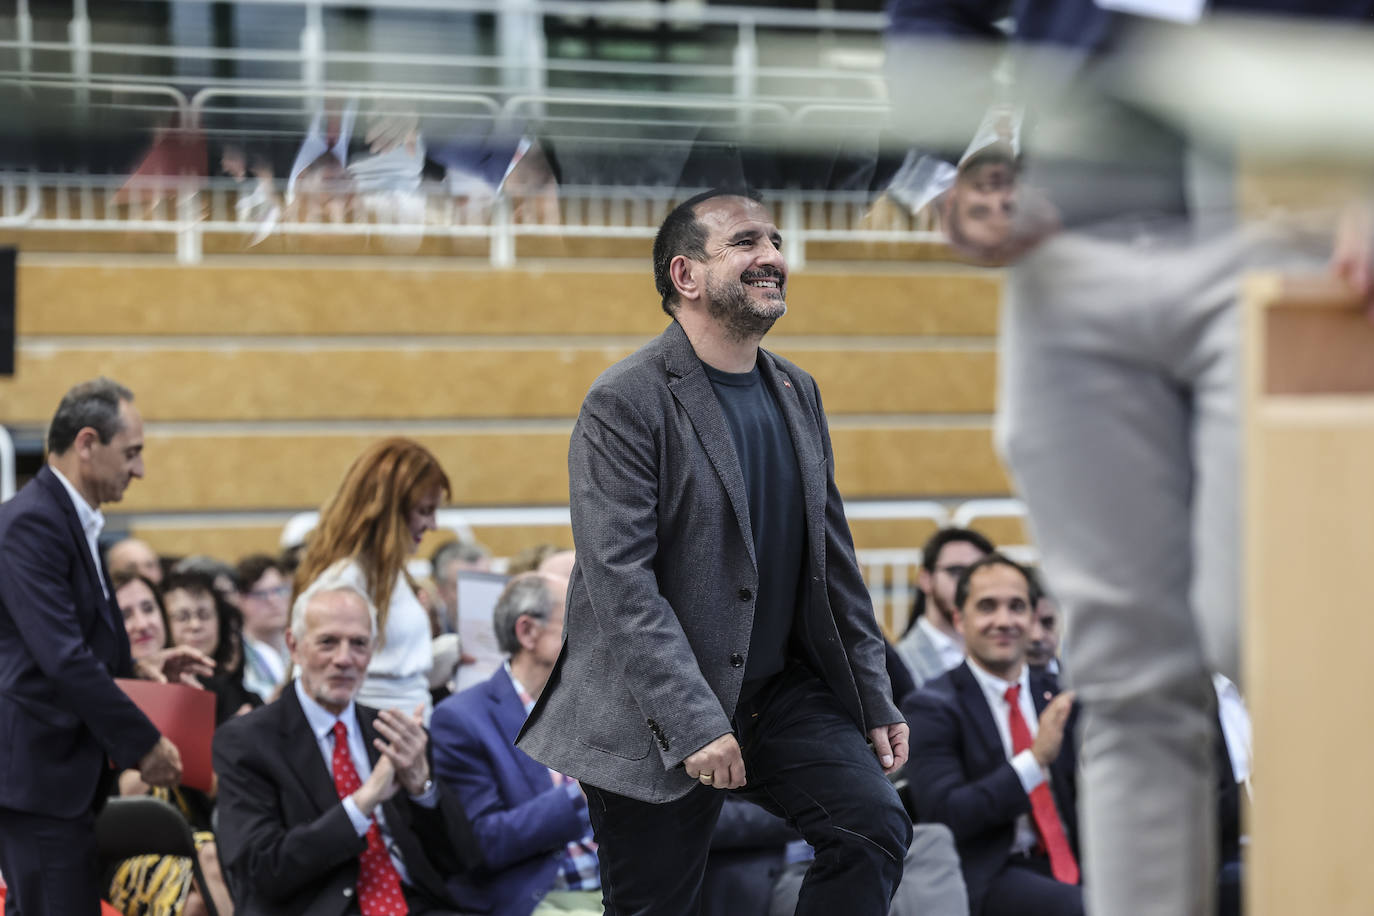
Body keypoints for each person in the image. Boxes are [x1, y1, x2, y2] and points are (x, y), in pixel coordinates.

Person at [882, 4, 1374, 913]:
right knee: (1123, 672)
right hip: (1074, 219)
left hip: (1296, 194)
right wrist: (942, 168)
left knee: (1273, 631)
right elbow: (927, 15)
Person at [517, 189, 913, 915]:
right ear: (685, 275)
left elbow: (834, 564)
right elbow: (619, 581)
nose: (771, 257)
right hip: (655, 709)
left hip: (774, 693)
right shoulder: (624, 400)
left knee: (873, 827)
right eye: (744, 243)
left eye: (775, 241)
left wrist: (872, 691)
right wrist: (696, 723)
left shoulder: (799, 389)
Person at [0, 377, 211, 916]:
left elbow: (67, 644)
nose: (139, 470)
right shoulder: (32, 523)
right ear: (87, 443)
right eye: (132, 453)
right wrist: (146, 743)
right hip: (40, 781)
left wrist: (140, 664)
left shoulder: (72, 519)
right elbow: (62, 657)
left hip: (63, 781)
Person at [212, 580, 482, 916]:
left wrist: (422, 791)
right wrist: (363, 802)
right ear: (294, 647)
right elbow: (261, 870)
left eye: (359, 644)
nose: (344, 659)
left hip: (416, 904)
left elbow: (463, 860)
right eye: (328, 642)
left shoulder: (392, 732)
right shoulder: (248, 741)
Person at [904, 554, 1081, 916]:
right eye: (987, 607)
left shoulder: (1059, 695)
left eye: (1016, 607)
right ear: (959, 618)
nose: (1004, 621)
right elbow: (947, 815)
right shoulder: (931, 706)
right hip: (991, 871)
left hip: (1076, 862)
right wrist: (1034, 762)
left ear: (1033, 619)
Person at [293, 437, 449, 721]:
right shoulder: (345, 582)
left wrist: (452, 654)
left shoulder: (390, 574)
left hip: (408, 735)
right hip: (378, 741)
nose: (433, 525)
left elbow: (400, 670)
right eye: (424, 511)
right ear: (390, 512)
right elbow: (309, 675)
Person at [894, 527, 994, 688]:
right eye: (956, 571)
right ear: (925, 579)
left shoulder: (1002, 650)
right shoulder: (901, 661)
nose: (968, 583)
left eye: (979, 573)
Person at [163, 570, 263, 722]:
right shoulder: (153, 689)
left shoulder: (246, 699)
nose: (195, 625)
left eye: (204, 615)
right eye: (182, 617)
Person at [237, 554, 292, 701]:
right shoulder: (236, 657)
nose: (274, 601)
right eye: (261, 594)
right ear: (240, 600)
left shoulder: (299, 644)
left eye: (280, 591)